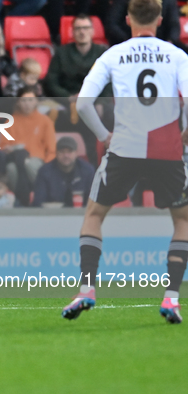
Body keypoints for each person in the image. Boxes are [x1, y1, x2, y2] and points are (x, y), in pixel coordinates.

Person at [63, 0, 188, 323]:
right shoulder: (176, 56)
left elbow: (86, 102)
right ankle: (171, 299)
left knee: (94, 214)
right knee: (183, 221)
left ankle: (87, 289)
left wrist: (105, 135)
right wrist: (183, 134)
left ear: (127, 18)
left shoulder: (113, 54)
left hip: (125, 148)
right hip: (166, 151)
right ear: (160, 19)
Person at [44, 14, 112, 167]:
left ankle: (111, 160)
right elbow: (51, 82)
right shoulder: (61, 53)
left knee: (111, 113)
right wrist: (68, 97)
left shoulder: (102, 53)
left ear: (93, 31)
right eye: (78, 29)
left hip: (95, 102)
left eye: (86, 28)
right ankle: (89, 165)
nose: (82, 32)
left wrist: (100, 102)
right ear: (72, 32)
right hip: (68, 104)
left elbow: (109, 83)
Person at [0, 87, 56, 205]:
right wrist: (9, 149)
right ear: (18, 102)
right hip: (16, 160)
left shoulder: (45, 121)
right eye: (23, 100)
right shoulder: (10, 121)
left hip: (37, 160)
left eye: (30, 100)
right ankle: (20, 201)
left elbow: (51, 150)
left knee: (30, 164)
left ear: (36, 102)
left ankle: (42, 195)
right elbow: (3, 146)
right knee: (11, 169)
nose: (27, 104)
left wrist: (48, 166)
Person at [32, 136, 94, 207]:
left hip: (81, 215)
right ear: (56, 153)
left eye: (69, 152)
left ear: (76, 153)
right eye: (62, 152)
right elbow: (38, 202)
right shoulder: (45, 171)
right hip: (52, 215)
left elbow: (93, 201)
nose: (66, 155)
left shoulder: (87, 170)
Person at [106, 0, 183, 48]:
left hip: (161, 42)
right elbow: (112, 23)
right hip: (128, 40)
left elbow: (174, 25)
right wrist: (127, 41)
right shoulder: (124, 1)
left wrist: (169, 42)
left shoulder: (168, 1)